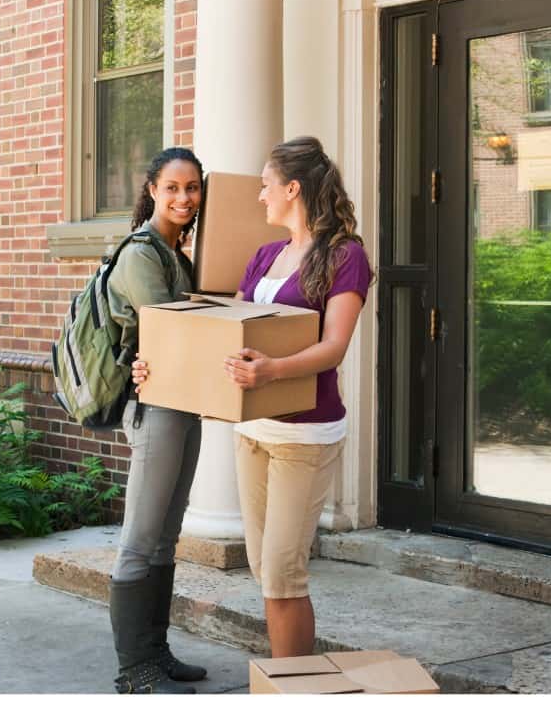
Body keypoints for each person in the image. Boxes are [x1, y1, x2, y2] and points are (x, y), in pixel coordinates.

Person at [132, 136, 371, 659]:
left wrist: (273, 371)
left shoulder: (344, 256)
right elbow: (225, 330)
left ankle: (294, 686)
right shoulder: (264, 256)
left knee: (284, 572)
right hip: (254, 431)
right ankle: (287, 679)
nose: (259, 196)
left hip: (306, 433)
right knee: (265, 569)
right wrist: (157, 366)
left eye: (266, 186)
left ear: (292, 188)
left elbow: (333, 348)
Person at [106, 147, 206, 694]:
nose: (183, 198)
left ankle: (156, 651)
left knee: (167, 537)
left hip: (184, 402)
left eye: (192, 188)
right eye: (172, 188)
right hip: (154, 407)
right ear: (151, 190)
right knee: (140, 539)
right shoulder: (142, 254)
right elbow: (167, 329)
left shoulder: (179, 254)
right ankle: (133, 669)